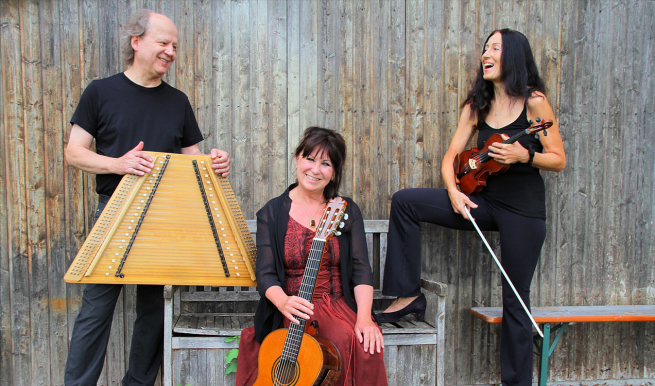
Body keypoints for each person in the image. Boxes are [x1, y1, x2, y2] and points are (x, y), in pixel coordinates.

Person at [377, 29, 566, 386]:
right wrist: (452, 190)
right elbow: (450, 157)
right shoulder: (475, 105)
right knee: (405, 201)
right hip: (481, 202)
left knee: (515, 297)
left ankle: (516, 382)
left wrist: (525, 154)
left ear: (513, 55)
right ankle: (408, 295)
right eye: (485, 48)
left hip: (523, 212)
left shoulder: (534, 102)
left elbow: (558, 159)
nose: (486, 54)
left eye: (495, 48)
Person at [64, 10, 231, 386]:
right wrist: (118, 163)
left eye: (174, 45)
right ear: (136, 42)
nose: (170, 51)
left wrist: (215, 163)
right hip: (115, 212)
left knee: (154, 311)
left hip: (166, 221)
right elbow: (74, 152)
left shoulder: (177, 101)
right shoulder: (100, 92)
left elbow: (195, 164)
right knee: (96, 310)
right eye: (163, 42)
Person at [235, 127, 387, 386]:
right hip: (291, 309)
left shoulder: (345, 210)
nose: (316, 170)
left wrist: (364, 318)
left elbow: (361, 269)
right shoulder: (271, 213)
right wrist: (283, 302)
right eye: (310, 159)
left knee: (359, 342)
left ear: (334, 172)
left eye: (326, 163)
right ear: (297, 159)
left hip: (337, 304)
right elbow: (265, 274)